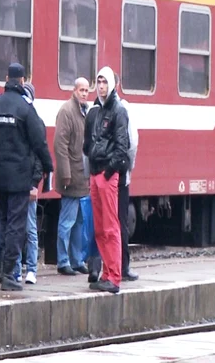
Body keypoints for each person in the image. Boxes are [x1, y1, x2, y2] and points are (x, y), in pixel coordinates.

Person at [0, 63, 53, 291]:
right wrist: (47, 164)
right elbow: (39, 141)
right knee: (16, 224)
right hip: (19, 177)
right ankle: (8, 275)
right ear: (23, 81)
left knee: (1, 219)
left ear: (6, 78)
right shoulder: (25, 108)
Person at [83, 66, 130, 294]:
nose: (100, 86)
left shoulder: (118, 111)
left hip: (106, 175)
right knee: (100, 228)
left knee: (111, 227)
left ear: (110, 85)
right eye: (98, 82)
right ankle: (106, 273)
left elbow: (123, 147)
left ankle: (115, 276)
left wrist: (109, 172)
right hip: (96, 173)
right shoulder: (96, 111)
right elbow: (87, 143)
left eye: (104, 82)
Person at [53, 78, 91, 276]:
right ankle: (63, 260)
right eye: (81, 90)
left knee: (79, 222)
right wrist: (65, 173)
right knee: (67, 221)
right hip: (71, 177)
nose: (85, 93)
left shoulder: (84, 112)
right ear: (74, 90)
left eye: (86, 90)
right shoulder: (67, 112)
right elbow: (60, 145)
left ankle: (76, 260)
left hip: (81, 176)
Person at [12, 82, 44, 285]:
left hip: (26, 181)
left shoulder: (35, 122)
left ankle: (31, 268)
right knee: (18, 228)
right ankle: (17, 269)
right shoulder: (28, 120)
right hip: (18, 181)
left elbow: (39, 157)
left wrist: (34, 182)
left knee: (28, 228)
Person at [115, 73, 139, 282]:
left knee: (105, 223)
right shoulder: (124, 108)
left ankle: (101, 268)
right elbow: (132, 144)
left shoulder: (95, 108)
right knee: (120, 222)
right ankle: (122, 266)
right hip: (120, 175)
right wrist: (128, 168)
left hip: (102, 174)